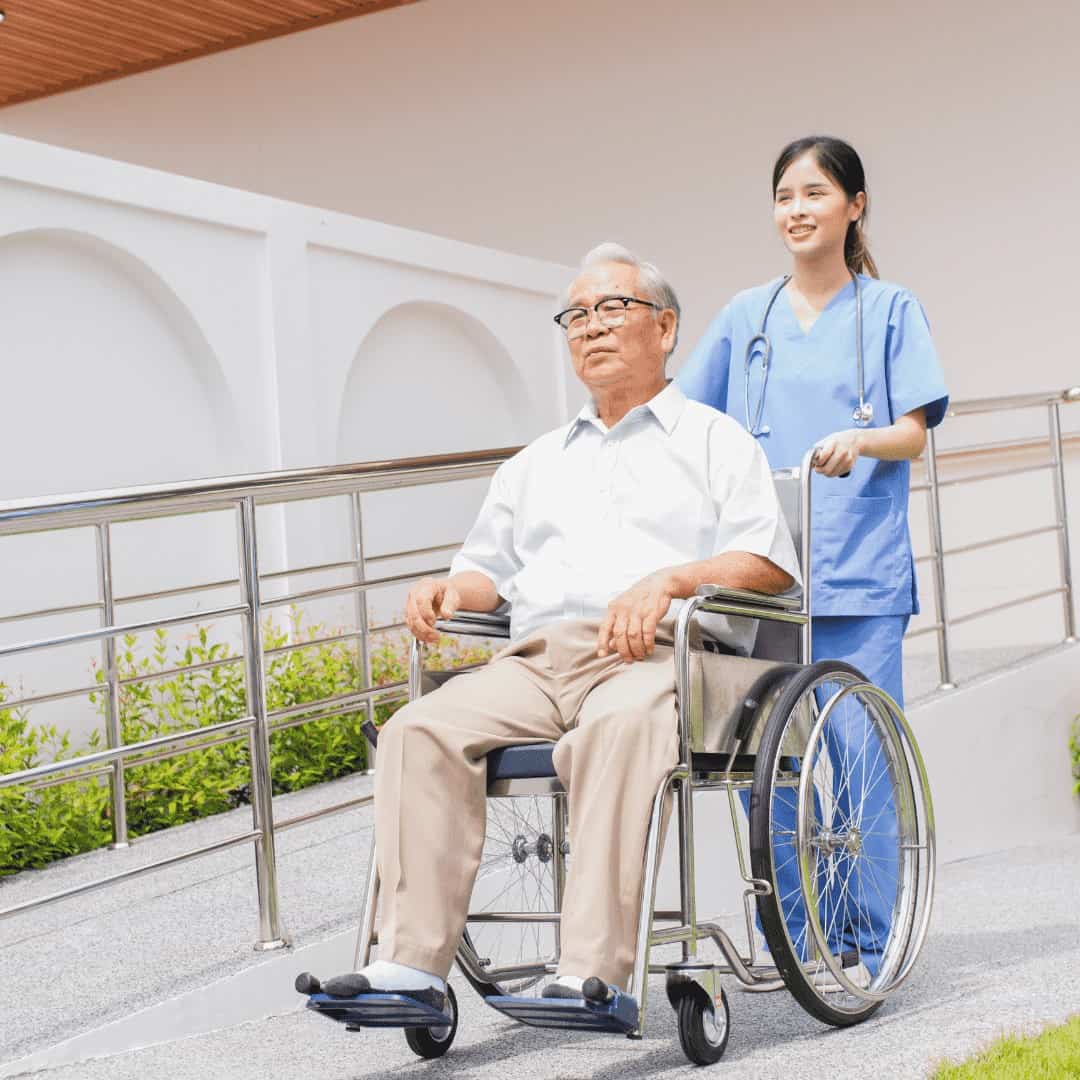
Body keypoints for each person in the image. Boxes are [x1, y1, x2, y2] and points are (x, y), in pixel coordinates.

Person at [318, 243, 800, 1011]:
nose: (591, 327)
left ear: (665, 327)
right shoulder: (533, 464)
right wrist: (448, 588)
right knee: (417, 729)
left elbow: (768, 566)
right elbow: (489, 573)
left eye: (613, 309)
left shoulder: (716, 442)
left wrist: (672, 580)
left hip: (657, 655)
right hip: (536, 661)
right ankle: (410, 967)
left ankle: (591, 971)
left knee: (615, 730)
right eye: (576, 315)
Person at [677, 135, 949, 976]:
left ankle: (866, 939)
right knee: (771, 769)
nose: (796, 209)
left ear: (854, 206)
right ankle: (792, 935)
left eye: (815, 193)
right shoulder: (744, 317)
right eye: (784, 195)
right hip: (761, 579)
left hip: (858, 574)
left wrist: (859, 440)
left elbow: (914, 433)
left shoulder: (892, 308)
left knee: (861, 758)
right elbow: (688, 423)